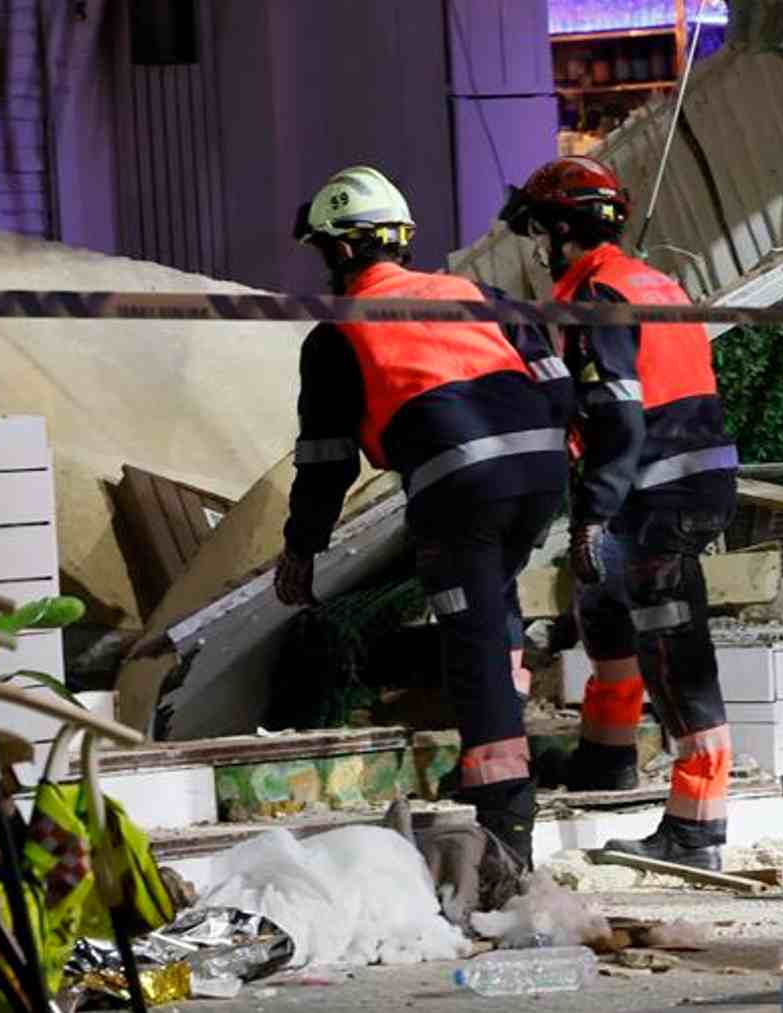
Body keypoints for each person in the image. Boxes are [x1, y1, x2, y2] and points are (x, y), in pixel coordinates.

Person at [275, 165, 568, 867]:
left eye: (322, 252)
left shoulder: (338, 332)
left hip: (460, 488)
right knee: (494, 610)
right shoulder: (475, 294)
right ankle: (490, 760)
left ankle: (505, 825)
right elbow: (555, 385)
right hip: (540, 470)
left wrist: (301, 549)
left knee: (469, 647)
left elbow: (325, 461)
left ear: (341, 251)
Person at [500, 156, 740, 872]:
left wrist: (592, 514)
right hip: (677, 483)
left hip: (658, 492)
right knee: (604, 602)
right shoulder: (649, 281)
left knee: (673, 652)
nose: (537, 247)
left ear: (565, 229)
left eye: (540, 230)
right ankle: (606, 757)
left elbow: (618, 417)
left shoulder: (598, 296)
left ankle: (697, 830)